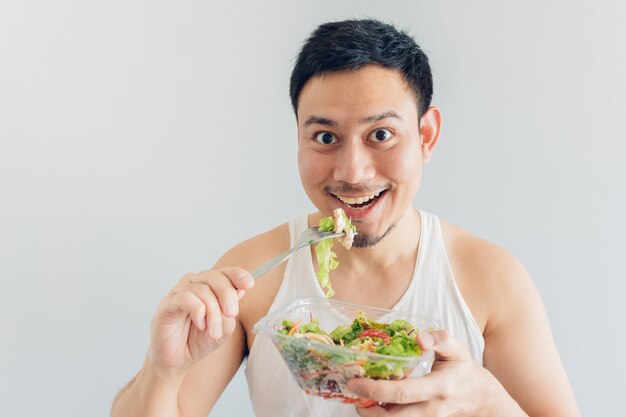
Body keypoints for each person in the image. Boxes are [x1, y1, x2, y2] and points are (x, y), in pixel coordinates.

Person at [111, 19, 581, 417]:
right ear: (297, 137)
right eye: (325, 138)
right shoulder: (255, 276)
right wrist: (162, 370)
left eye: (381, 134)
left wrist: (491, 403)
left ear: (426, 137)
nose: (353, 173)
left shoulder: (491, 278)